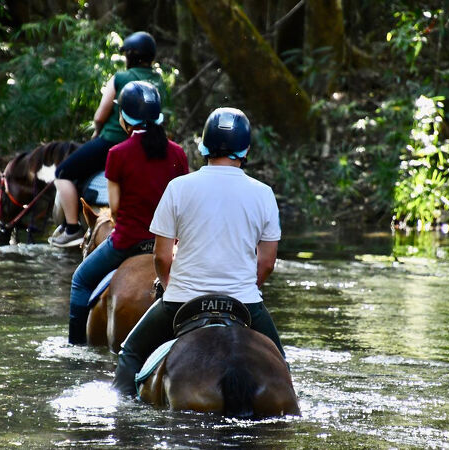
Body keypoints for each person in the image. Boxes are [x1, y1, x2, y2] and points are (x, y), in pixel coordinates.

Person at [112, 107, 286, 396]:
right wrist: (244, 288)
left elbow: (163, 256)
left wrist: (170, 287)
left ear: (204, 146)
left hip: (182, 300)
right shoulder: (263, 193)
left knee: (129, 353)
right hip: (243, 301)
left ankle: (121, 419)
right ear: (245, 150)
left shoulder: (178, 187)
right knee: (280, 363)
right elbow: (267, 262)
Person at [68, 80, 189, 345]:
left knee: (80, 281)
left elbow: (116, 208)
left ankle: (75, 351)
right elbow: (185, 205)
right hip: (170, 245)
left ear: (123, 117)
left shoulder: (117, 153)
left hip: (127, 243)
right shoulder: (178, 153)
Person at [51, 31, 168, 247]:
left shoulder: (121, 78)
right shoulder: (159, 81)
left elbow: (100, 115)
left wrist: (96, 130)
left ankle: (72, 228)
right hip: (153, 141)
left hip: (112, 140)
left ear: (130, 56)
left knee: (62, 173)